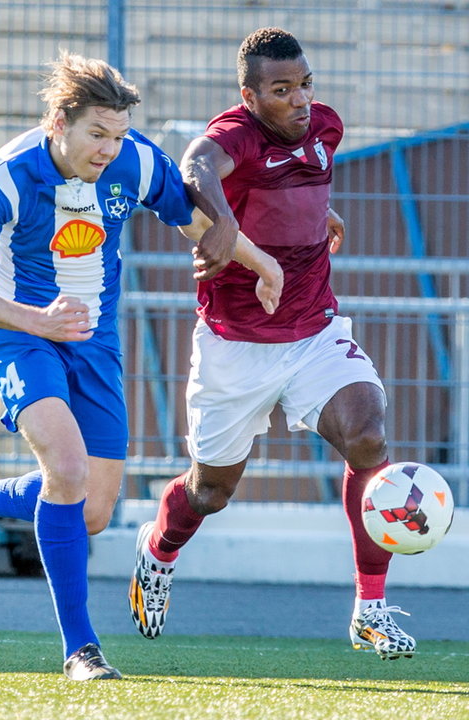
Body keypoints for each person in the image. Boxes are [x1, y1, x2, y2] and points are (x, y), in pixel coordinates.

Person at [0, 50, 282, 681]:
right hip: (22, 335)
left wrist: (264, 265)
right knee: (64, 471)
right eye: (97, 133)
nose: (108, 148)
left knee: (92, 511)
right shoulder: (9, 178)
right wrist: (34, 321)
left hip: (95, 343)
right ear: (58, 123)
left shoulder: (137, 160)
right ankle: (81, 651)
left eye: (117, 134)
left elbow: (200, 221)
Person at [128, 27, 416, 661]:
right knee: (211, 493)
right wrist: (226, 230)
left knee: (368, 436)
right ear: (250, 96)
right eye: (281, 90)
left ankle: (369, 611)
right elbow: (197, 163)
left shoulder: (326, 128)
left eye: (305, 84)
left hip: (315, 332)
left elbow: (301, 186)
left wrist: (322, 214)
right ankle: (159, 549)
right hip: (235, 347)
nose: (300, 99)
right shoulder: (235, 136)